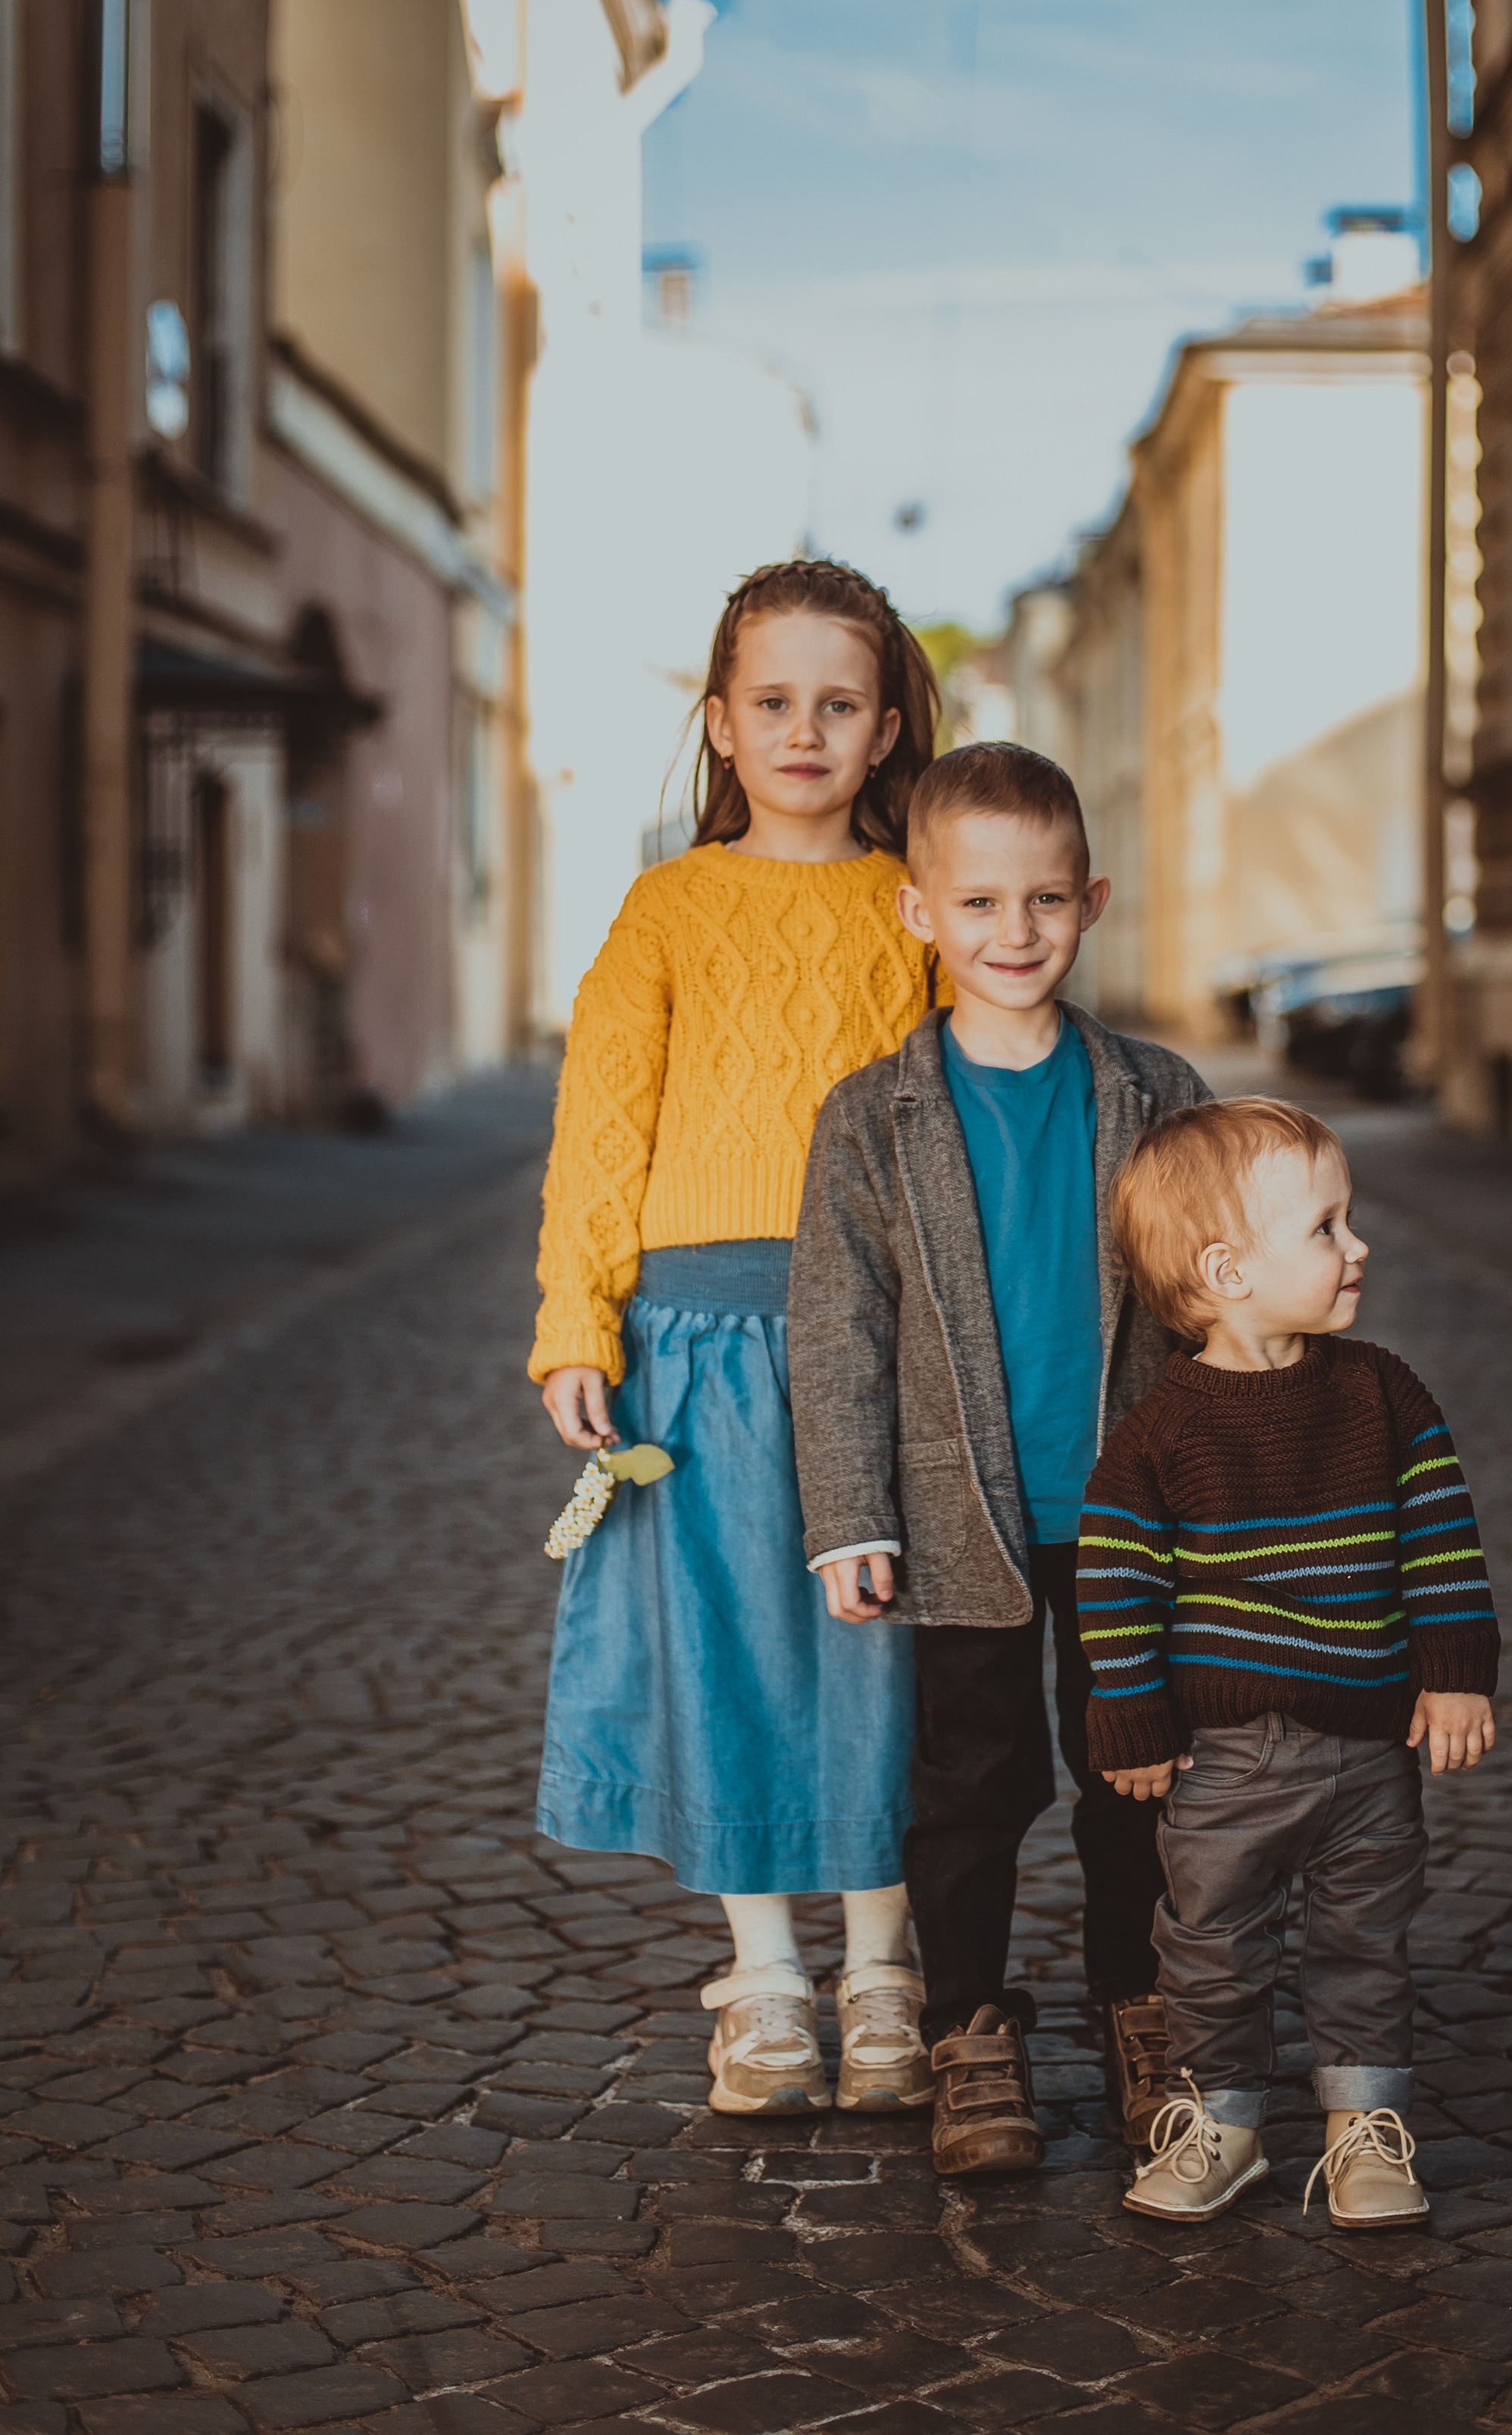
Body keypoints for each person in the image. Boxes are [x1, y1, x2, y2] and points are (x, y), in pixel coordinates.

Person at [530, 558, 945, 2124]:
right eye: (770, 702)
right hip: (692, 1338)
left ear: (885, 723)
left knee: (882, 1646)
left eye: (836, 703)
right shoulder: (666, 906)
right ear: (718, 722)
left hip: (884, 1331)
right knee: (725, 1651)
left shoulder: (916, 896)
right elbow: (599, 1128)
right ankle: (766, 1977)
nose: (802, 729)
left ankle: (890, 1970)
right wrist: (579, 1319)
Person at [789, 741, 1210, 2177]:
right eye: (977, 904)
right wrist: (848, 1515)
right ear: (921, 915)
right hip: (958, 1516)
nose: (1013, 934)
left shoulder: (1154, 1093)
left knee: (1136, 1774)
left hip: (1131, 1516)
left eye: (1043, 901)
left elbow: (1218, 1291)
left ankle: (1140, 2008)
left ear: (1091, 900)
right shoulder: (871, 1116)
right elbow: (837, 1329)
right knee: (969, 1783)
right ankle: (972, 2031)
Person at [1078, 1097, 1501, 2226]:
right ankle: (1222, 2125)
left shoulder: (1383, 1393)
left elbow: (1441, 1540)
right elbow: (1117, 1586)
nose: (1357, 1246)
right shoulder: (1159, 1436)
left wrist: (1454, 1671)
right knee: (1211, 1949)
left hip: (1371, 1749)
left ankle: (1367, 2130)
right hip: (1224, 1763)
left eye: (1348, 1219)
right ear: (1225, 1268)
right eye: (1325, 1227)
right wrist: (1132, 1720)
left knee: (1365, 1943)